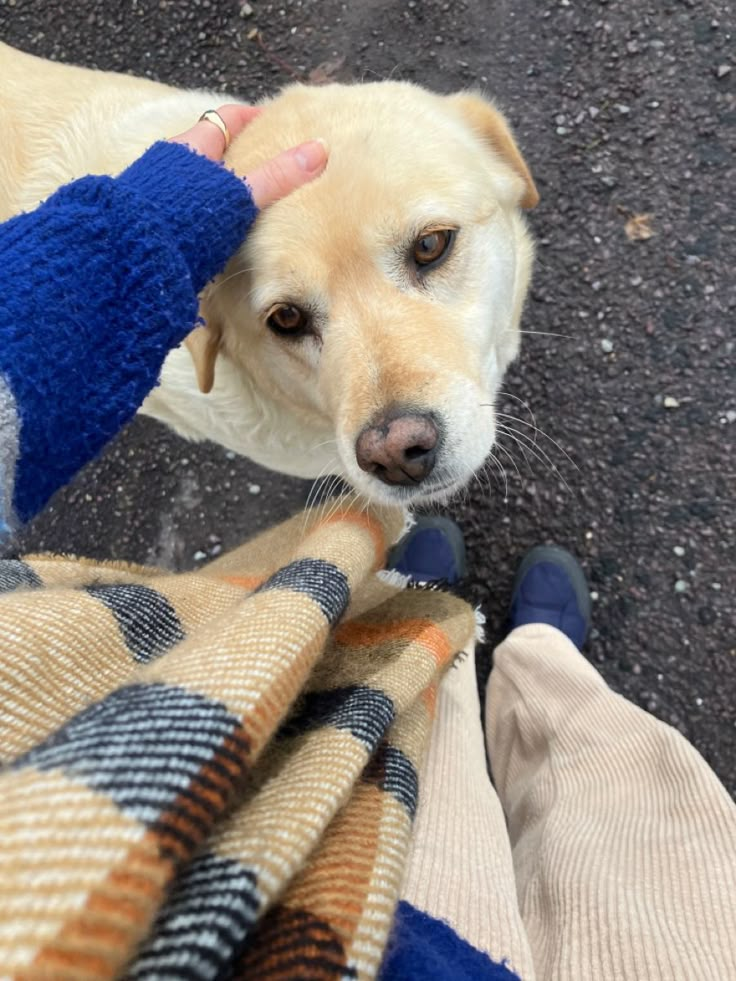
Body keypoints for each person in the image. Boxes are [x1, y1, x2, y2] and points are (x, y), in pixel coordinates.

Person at [0, 108, 734, 981]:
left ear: (506, 175)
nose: (392, 426)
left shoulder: (333, 178)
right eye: (290, 321)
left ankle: (431, 633)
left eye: (428, 250)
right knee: (634, 834)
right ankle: (543, 666)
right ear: (216, 335)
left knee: (398, 706)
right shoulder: (214, 321)